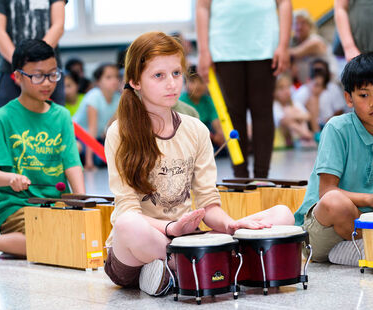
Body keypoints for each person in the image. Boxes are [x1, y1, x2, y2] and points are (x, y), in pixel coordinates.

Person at [104, 31, 294, 296]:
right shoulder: (119, 132)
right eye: (158, 75)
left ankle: (175, 272)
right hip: (137, 250)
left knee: (282, 214)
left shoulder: (196, 129)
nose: (171, 83)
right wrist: (171, 229)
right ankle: (205, 267)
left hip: (187, 242)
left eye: (176, 73)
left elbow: (208, 203)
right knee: (126, 225)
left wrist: (230, 226)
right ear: (135, 81)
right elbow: (127, 211)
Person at [0, 39, 85, 259]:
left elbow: (72, 164)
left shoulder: (62, 115)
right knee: (49, 242)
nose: (47, 83)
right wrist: (10, 179)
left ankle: (16, 247)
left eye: (52, 74)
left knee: (82, 237)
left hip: (54, 207)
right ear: (17, 77)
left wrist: (81, 202)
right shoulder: (2, 118)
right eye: (37, 76)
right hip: (16, 207)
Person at [293, 53, 373, 265]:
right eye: (364, 95)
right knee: (336, 203)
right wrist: (370, 199)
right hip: (327, 227)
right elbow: (327, 192)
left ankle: (354, 251)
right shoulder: (337, 128)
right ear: (349, 98)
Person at [196, 0, 292, 178]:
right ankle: (240, 175)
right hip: (225, 47)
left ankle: (262, 175)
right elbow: (202, 7)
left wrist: (283, 45)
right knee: (234, 112)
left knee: (262, 109)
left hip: (264, 44)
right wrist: (203, 51)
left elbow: (284, 3)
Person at [0, 0, 66, 108]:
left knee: (53, 121)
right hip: (12, 72)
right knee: (9, 121)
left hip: (49, 74)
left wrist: (36, 65)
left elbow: (58, 26)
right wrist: (20, 64)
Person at [73, 63, 121, 170]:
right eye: (108, 77)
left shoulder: (118, 98)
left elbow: (112, 125)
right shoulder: (94, 97)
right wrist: (89, 162)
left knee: (109, 157)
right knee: (97, 159)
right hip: (78, 137)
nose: (114, 80)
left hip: (96, 139)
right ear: (98, 82)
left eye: (117, 77)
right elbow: (92, 129)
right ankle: (86, 159)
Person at [292, 59, 348, 141]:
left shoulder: (328, 90)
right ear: (309, 81)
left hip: (326, 123)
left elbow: (337, 112)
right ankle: (316, 134)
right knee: (312, 100)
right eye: (316, 85)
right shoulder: (303, 92)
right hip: (307, 124)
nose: (318, 88)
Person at [179, 66, 225, 148]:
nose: (198, 85)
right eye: (193, 81)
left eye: (201, 81)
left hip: (207, 132)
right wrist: (213, 137)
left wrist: (219, 134)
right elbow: (187, 128)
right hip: (188, 134)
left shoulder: (208, 100)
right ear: (185, 84)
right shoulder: (181, 101)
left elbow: (216, 120)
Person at [289, 9, 334, 85]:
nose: (299, 27)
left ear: (310, 26)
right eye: (296, 23)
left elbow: (294, 53)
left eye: (303, 23)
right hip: (309, 86)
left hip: (327, 85)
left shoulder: (315, 40)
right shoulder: (294, 42)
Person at [273, 74, 313, 146]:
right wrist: (304, 133)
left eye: (287, 87)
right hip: (280, 138)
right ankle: (304, 137)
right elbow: (283, 120)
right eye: (281, 88)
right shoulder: (275, 105)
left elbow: (307, 116)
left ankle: (302, 140)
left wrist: (294, 115)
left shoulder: (294, 103)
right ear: (275, 92)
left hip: (296, 133)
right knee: (287, 112)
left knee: (292, 111)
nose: (286, 91)